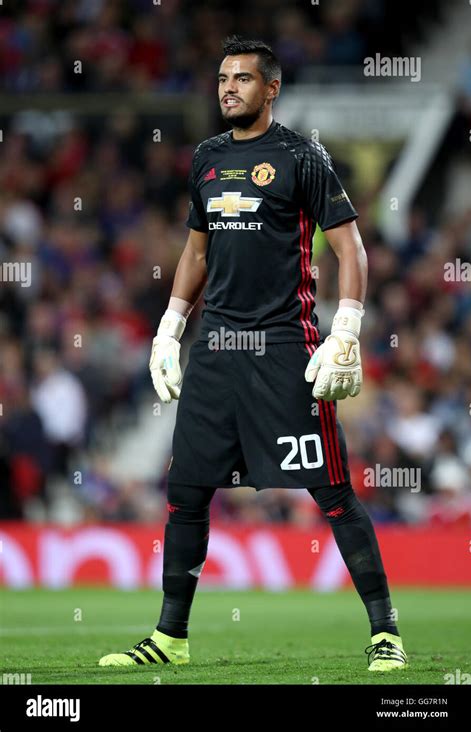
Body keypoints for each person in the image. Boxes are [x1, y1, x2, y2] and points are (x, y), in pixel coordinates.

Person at [99, 35, 408, 673]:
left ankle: (385, 632)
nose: (228, 89)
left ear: (270, 89)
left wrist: (346, 328)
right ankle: (170, 639)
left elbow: (351, 250)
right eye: (221, 79)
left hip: (283, 349)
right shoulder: (207, 158)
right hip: (214, 349)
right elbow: (197, 251)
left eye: (242, 79)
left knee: (332, 492)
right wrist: (169, 326)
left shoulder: (303, 156)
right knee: (186, 492)